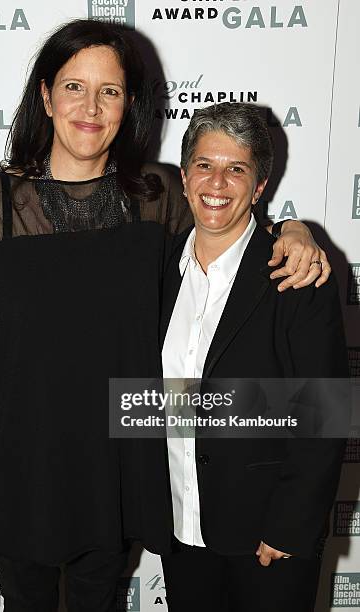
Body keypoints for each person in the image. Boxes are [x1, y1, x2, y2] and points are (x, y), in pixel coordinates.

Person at [0, 20, 330, 612]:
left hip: (114, 471)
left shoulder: (157, 196)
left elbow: (225, 213)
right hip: (15, 464)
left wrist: (295, 231)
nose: (90, 108)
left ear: (128, 106)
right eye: (74, 87)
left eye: (110, 91)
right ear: (45, 96)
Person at [160, 102, 348, 612]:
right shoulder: (156, 269)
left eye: (236, 168)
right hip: (180, 529)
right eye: (204, 164)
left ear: (260, 185)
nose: (216, 181)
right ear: (184, 176)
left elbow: (326, 414)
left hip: (268, 538)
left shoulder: (296, 276)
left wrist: (290, 527)